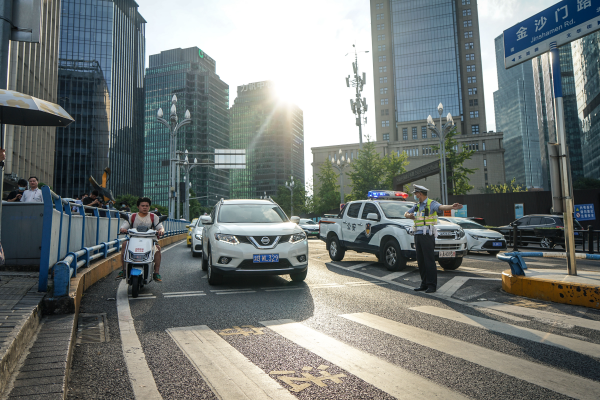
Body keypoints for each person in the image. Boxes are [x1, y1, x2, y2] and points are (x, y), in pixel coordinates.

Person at [404, 185, 462, 293]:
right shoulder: (417, 205)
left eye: (415, 194)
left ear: (420, 193)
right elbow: (405, 213)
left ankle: (431, 285)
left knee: (429, 261)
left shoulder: (432, 203)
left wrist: (451, 206)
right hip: (418, 234)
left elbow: (441, 207)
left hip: (427, 235)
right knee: (421, 261)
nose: (415, 196)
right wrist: (409, 215)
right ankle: (424, 284)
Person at [119, 197, 165, 282]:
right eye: (142, 205)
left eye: (147, 206)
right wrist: (123, 229)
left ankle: (156, 273)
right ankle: (124, 269)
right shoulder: (132, 216)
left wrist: (161, 231)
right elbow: (124, 226)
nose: (145, 207)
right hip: (134, 240)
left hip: (150, 240)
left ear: (149, 207)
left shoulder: (153, 216)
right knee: (125, 244)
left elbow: (160, 227)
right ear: (138, 206)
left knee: (158, 249)